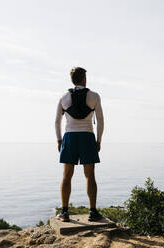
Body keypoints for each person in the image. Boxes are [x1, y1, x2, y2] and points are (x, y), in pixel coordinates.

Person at [54, 67, 104, 222]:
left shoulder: (63, 97)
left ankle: (64, 212)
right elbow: (101, 121)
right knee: (90, 176)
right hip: (88, 137)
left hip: (70, 137)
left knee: (67, 175)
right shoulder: (94, 96)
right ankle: (93, 211)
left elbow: (57, 121)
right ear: (84, 79)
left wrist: (59, 140)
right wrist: (98, 140)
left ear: (72, 80)